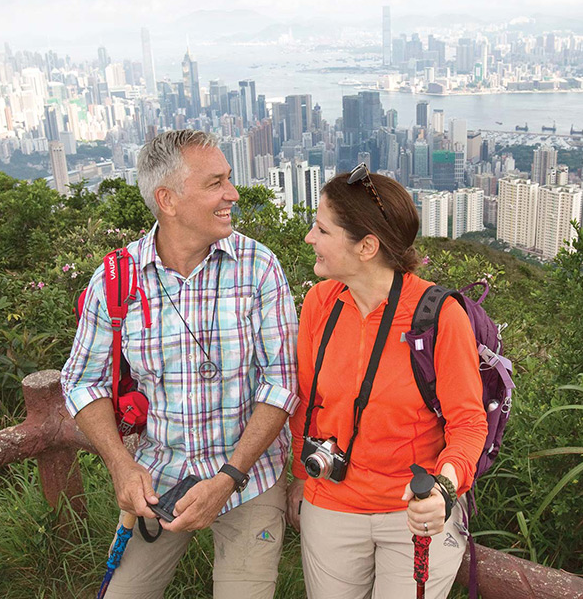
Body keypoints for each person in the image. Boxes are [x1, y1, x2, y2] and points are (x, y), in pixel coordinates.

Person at [61, 129, 299, 599]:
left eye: (228, 179)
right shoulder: (118, 278)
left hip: (249, 477)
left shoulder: (259, 267)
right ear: (167, 199)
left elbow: (281, 382)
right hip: (158, 476)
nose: (232, 193)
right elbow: (81, 381)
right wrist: (121, 466)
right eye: (215, 183)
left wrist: (228, 478)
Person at [287, 164, 488, 599]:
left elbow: (468, 423)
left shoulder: (437, 317)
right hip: (332, 503)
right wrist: (301, 477)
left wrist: (444, 489)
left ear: (367, 247)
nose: (310, 238)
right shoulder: (321, 303)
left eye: (321, 229)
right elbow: (306, 403)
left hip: (414, 511)